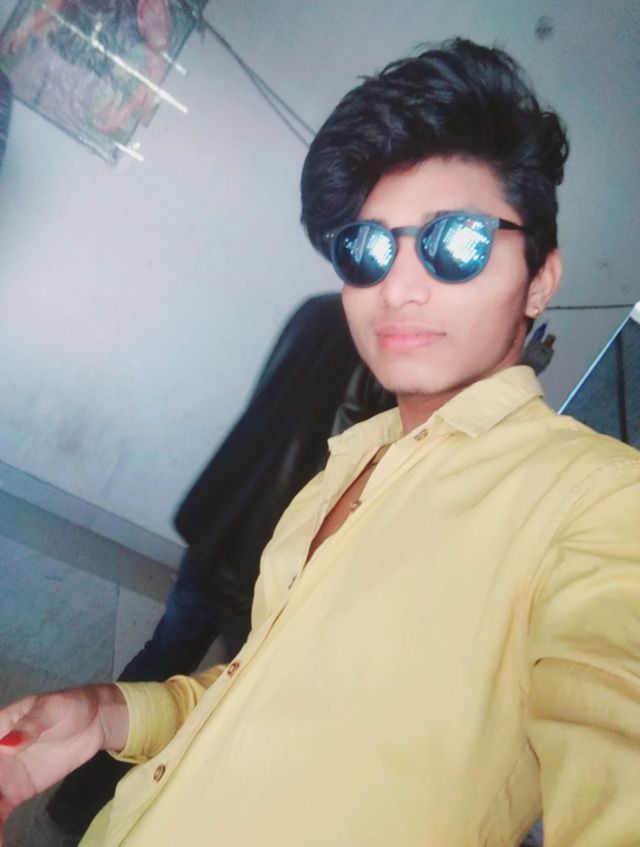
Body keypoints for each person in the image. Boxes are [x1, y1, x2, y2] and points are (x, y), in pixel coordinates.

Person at [1, 37, 639, 847]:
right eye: (367, 249)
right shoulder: (355, 458)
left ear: (540, 279)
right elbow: (253, 692)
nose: (397, 286)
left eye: (457, 242)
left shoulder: (598, 506)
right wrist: (106, 713)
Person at [45, 292, 394, 839]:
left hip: (221, 526)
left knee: (160, 663)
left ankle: (71, 806)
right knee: (224, 714)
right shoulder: (395, 365)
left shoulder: (321, 311)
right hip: (272, 570)